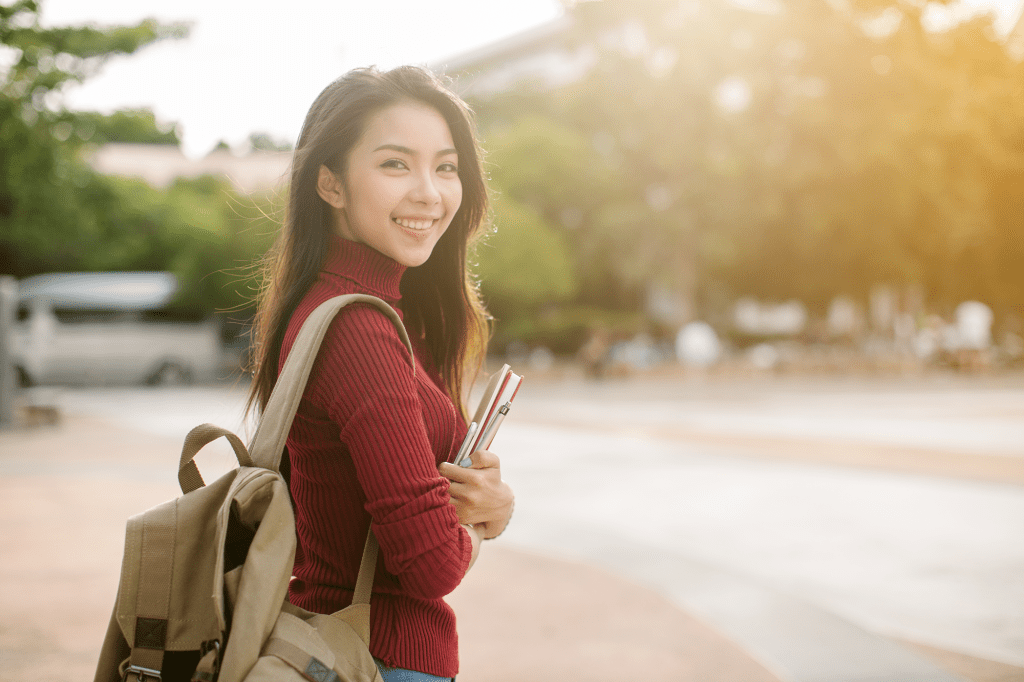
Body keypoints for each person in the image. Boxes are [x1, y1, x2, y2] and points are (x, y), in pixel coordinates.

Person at [245, 66, 515, 682]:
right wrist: (481, 520)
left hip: (341, 645)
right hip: (375, 660)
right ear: (331, 184)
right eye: (396, 165)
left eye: (445, 167)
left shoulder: (358, 308)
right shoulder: (359, 330)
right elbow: (429, 567)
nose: (429, 192)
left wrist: (479, 503)